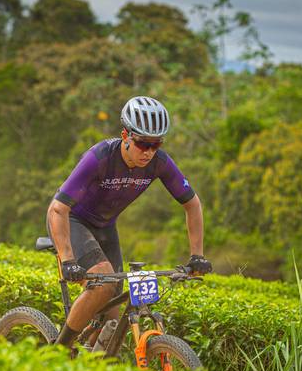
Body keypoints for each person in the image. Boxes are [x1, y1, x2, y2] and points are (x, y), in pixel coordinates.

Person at [46, 96, 212, 348]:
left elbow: (193, 204)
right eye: (143, 144)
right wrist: (68, 259)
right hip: (72, 220)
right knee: (103, 284)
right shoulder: (100, 157)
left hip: (105, 226)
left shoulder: (159, 163)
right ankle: (60, 349)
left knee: (113, 313)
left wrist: (197, 256)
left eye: (156, 144)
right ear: (125, 135)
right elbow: (58, 209)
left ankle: (94, 360)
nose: (149, 152)